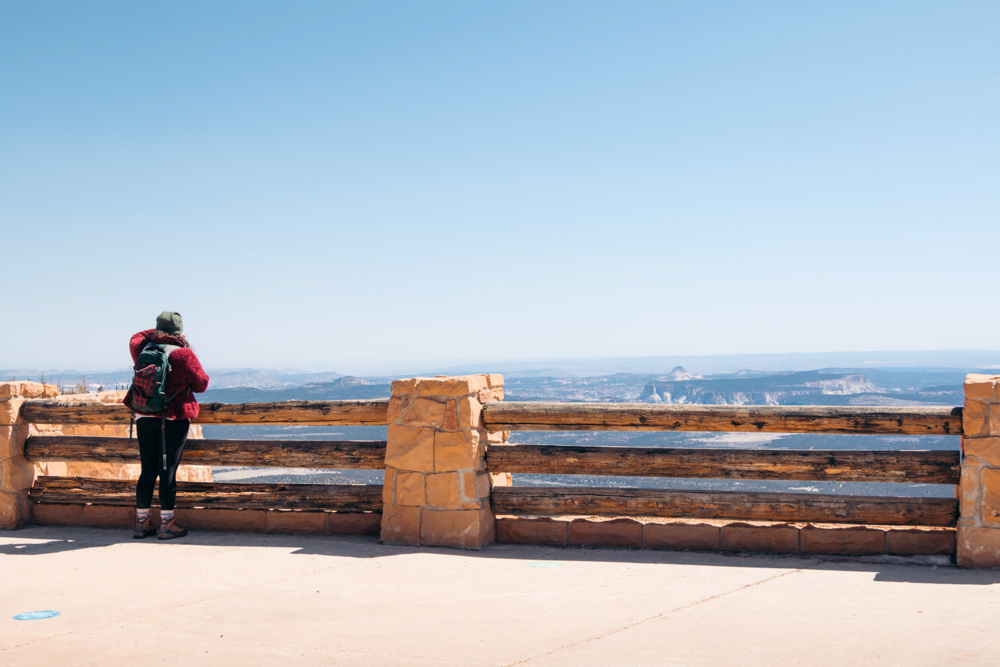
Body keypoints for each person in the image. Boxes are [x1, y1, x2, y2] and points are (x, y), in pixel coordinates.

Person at [123, 312, 210, 539]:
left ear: (158, 329)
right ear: (179, 332)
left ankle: (142, 524)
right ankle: (167, 524)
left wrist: (157, 334)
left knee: (147, 472)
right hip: (172, 419)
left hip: (144, 416)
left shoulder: (142, 349)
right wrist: (177, 339)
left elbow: (136, 335)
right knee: (167, 472)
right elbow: (201, 384)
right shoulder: (184, 354)